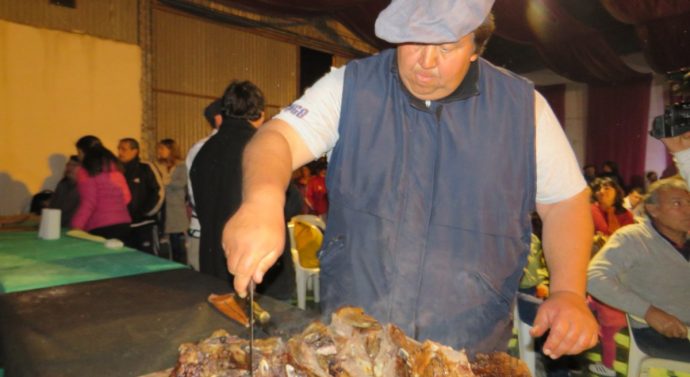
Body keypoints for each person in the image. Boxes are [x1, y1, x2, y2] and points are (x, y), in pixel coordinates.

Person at [222, 0, 597, 356]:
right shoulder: (352, 87)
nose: (426, 61)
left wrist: (568, 291)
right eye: (414, 40)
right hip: (356, 334)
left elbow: (566, 201)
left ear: (475, 47)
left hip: (468, 341)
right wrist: (262, 200)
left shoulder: (522, 110)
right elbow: (277, 138)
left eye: (447, 47)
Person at [587, 177, 690, 365]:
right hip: (654, 332)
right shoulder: (634, 238)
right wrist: (649, 313)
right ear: (653, 209)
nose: (688, 210)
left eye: (689, 203)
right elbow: (594, 278)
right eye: (678, 204)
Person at [185, 99, 224, 271]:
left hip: (224, 231)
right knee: (205, 287)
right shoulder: (203, 149)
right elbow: (198, 194)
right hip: (206, 231)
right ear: (219, 119)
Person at [71, 135, 131, 241]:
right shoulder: (115, 168)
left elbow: (88, 202)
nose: (79, 156)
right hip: (123, 223)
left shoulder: (86, 170)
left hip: (100, 226)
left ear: (83, 151)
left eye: (79, 152)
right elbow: (127, 197)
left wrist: (76, 226)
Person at [117, 138, 164, 254]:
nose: (120, 152)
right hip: (123, 225)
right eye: (119, 149)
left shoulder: (146, 168)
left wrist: (146, 212)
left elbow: (159, 191)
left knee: (150, 259)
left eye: (123, 149)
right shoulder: (116, 170)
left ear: (135, 151)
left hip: (144, 225)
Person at [155, 138, 188, 263]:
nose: (159, 151)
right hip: (161, 206)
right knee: (162, 239)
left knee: (177, 241)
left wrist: (164, 183)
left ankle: (179, 264)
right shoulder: (157, 165)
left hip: (175, 207)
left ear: (171, 150)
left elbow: (181, 183)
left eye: (162, 148)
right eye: (159, 148)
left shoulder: (181, 165)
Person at [49, 155, 80, 227]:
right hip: (57, 225)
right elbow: (54, 207)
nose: (69, 167)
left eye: (74, 165)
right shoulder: (62, 184)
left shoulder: (85, 187)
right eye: (68, 164)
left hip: (75, 227)